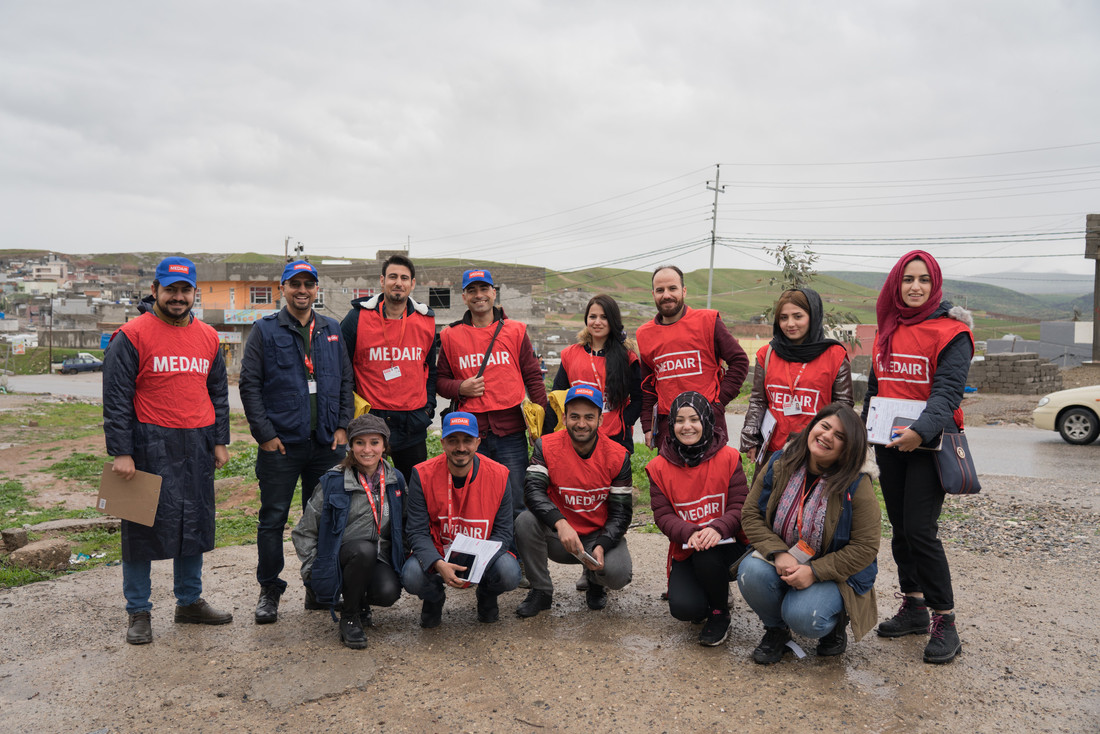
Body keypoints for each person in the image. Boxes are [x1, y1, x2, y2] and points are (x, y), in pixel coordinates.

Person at [102, 256, 232, 645]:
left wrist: (219, 440)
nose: (178, 297)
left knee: (193, 524)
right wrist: (121, 451)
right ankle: (138, 610)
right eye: (170, 290)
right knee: (139, 528)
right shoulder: (131, 335)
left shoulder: (209, 337)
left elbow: (218, 393)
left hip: (197, 443)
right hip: (147, 443)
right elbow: (116, 398)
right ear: (155, 290)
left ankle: (189, 602)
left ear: (195, 292)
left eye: (185, 290)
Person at [862, 250, 974, 665]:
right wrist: (864, 433)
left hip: (929, 445)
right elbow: (875, 388)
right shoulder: (888, 328)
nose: (915, 286)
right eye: (908, 279)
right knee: (901, 529)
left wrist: (919, 432)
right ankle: (914, 606)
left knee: (921, 531)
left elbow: (948, 393)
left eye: (924, 279)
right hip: (890, 444)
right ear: (897, 283)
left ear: (935, 284)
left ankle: (945, 620)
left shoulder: (953, 333)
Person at [239, 260, 354, 625]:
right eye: (295, 284)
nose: (302, 290)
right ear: (283, 289)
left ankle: (317, 587)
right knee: (272, 519)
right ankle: (269, 589)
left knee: (323, 518)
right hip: (282, 446)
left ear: (316, 289)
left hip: (325, 445)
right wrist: (265, 435)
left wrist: (343, 427)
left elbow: (345, 381)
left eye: (308, 284)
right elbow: (250, 385)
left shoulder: (331, 329)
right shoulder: (265, 330)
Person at [737, 403, 881, 664]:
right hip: (785, 556)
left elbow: (865, 547)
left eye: (839, 436)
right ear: (813, 426)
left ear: (849, 448)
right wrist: (778, 553)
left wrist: (814, 572)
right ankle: (776, 631)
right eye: (824, 426)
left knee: (806, 617)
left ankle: (835, 622)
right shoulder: (781, 461)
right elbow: (750, 514)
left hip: (832, 572)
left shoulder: (857, 482)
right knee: (751, 572)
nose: (827, 436)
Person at [435, 268, 549, 530]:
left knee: (516, 500)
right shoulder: (450, 335)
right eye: (472, 290)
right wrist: (460, 387)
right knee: (473, 500)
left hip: (510, 433)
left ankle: (514, 553)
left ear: (494, 293)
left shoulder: (516, 331)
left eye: (484, 289)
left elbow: (533, 377)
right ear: (464, 297)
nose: (479, 295)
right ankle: (477, 551)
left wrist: (542, 425)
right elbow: (440, 382)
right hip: (469, 434)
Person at [515, 385, 633, 618]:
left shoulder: (618, 455)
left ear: (600, 420)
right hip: (559, 536)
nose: (581, 423)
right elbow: (532, 491)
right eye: (575, 416)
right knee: (524, 521)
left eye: (589, 417)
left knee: (618, 574)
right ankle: (541, 590)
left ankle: (595, 582)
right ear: (564, 417)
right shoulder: (545, 446)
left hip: (596, 537)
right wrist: (560, 523)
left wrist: (603, 544)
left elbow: (621, 513)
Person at [291, 414, 405, 650]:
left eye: (374, 442)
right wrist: (313, 569)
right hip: (342, 558)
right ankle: (350, 616)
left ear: (384, 446)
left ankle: (359, 599)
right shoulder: (334, 481)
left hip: (378, 557)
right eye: (359, 443)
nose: (367, 450)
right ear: (351, 446)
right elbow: (304, 531)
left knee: (388, 593)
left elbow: (404, 523)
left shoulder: (395, 479)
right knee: (363, 550)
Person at [646, 391, 749, 647]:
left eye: (694, 419)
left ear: (706, 420)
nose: (687, 426)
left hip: (729, 544)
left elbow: (740, 506)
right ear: (671, 424)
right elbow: (663, 515)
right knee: (685, 609)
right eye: (680, 420)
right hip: (688, 545)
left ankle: (719, 613)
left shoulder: (729, 457)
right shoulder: (659, 467)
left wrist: (718, 528)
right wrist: (690, 532)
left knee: (708, 554)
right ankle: (708, 595)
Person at [402, 412, 521, 627]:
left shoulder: (499, 474)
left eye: (467, 440)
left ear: (478, 442)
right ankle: (433, 598)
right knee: (411, 575)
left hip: (481, 553)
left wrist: (479, 565)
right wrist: (438, 564)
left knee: (509, 572)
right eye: (453, 440)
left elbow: (503, 532)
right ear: (442, 443)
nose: (461, 448)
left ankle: (486, 594)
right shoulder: (422, 474)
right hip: (439, 552)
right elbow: (416, 531)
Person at [340, 253, 438, 483]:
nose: (398, 283)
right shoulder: (357, 318)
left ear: (412, 283)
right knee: (366, 488)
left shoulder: (426, 320)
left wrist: (428, 408)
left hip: (412, 422)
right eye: (393, 277)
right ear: (382, 280)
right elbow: (341, 369)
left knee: (415, 489)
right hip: (370, 421)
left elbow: (430, 370)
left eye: (404, 278)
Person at [636, 265, 749, 450]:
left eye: (672, 288)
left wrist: (717, 404)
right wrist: (648, 425)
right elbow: (647, 386)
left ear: (684, 291)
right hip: (668, 429)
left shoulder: (708, 321)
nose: (666, 295)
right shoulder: (644, 334)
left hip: (709, 425)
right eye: (660, 290)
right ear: (653, 294)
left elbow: (740, 362)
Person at [740, 287, 853, 465]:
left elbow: (843, 407)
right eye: (783, 318)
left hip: (815, 453)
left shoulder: (835, 356)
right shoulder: (767, 354)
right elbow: (758, 401)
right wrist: (751, 437)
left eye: (798, 316)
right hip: (773, 453)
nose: (790, 324)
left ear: (813, 316)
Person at [548, 294, 642, 453]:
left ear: (613, 320)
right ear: (586, 319)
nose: (597, 322)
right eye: (593, 317)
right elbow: (556, 396)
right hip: (578, 436)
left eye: (604, 317)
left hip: (616, 437)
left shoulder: (627, 357)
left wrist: (624, 421)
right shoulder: (570, 355)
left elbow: (639, 398)